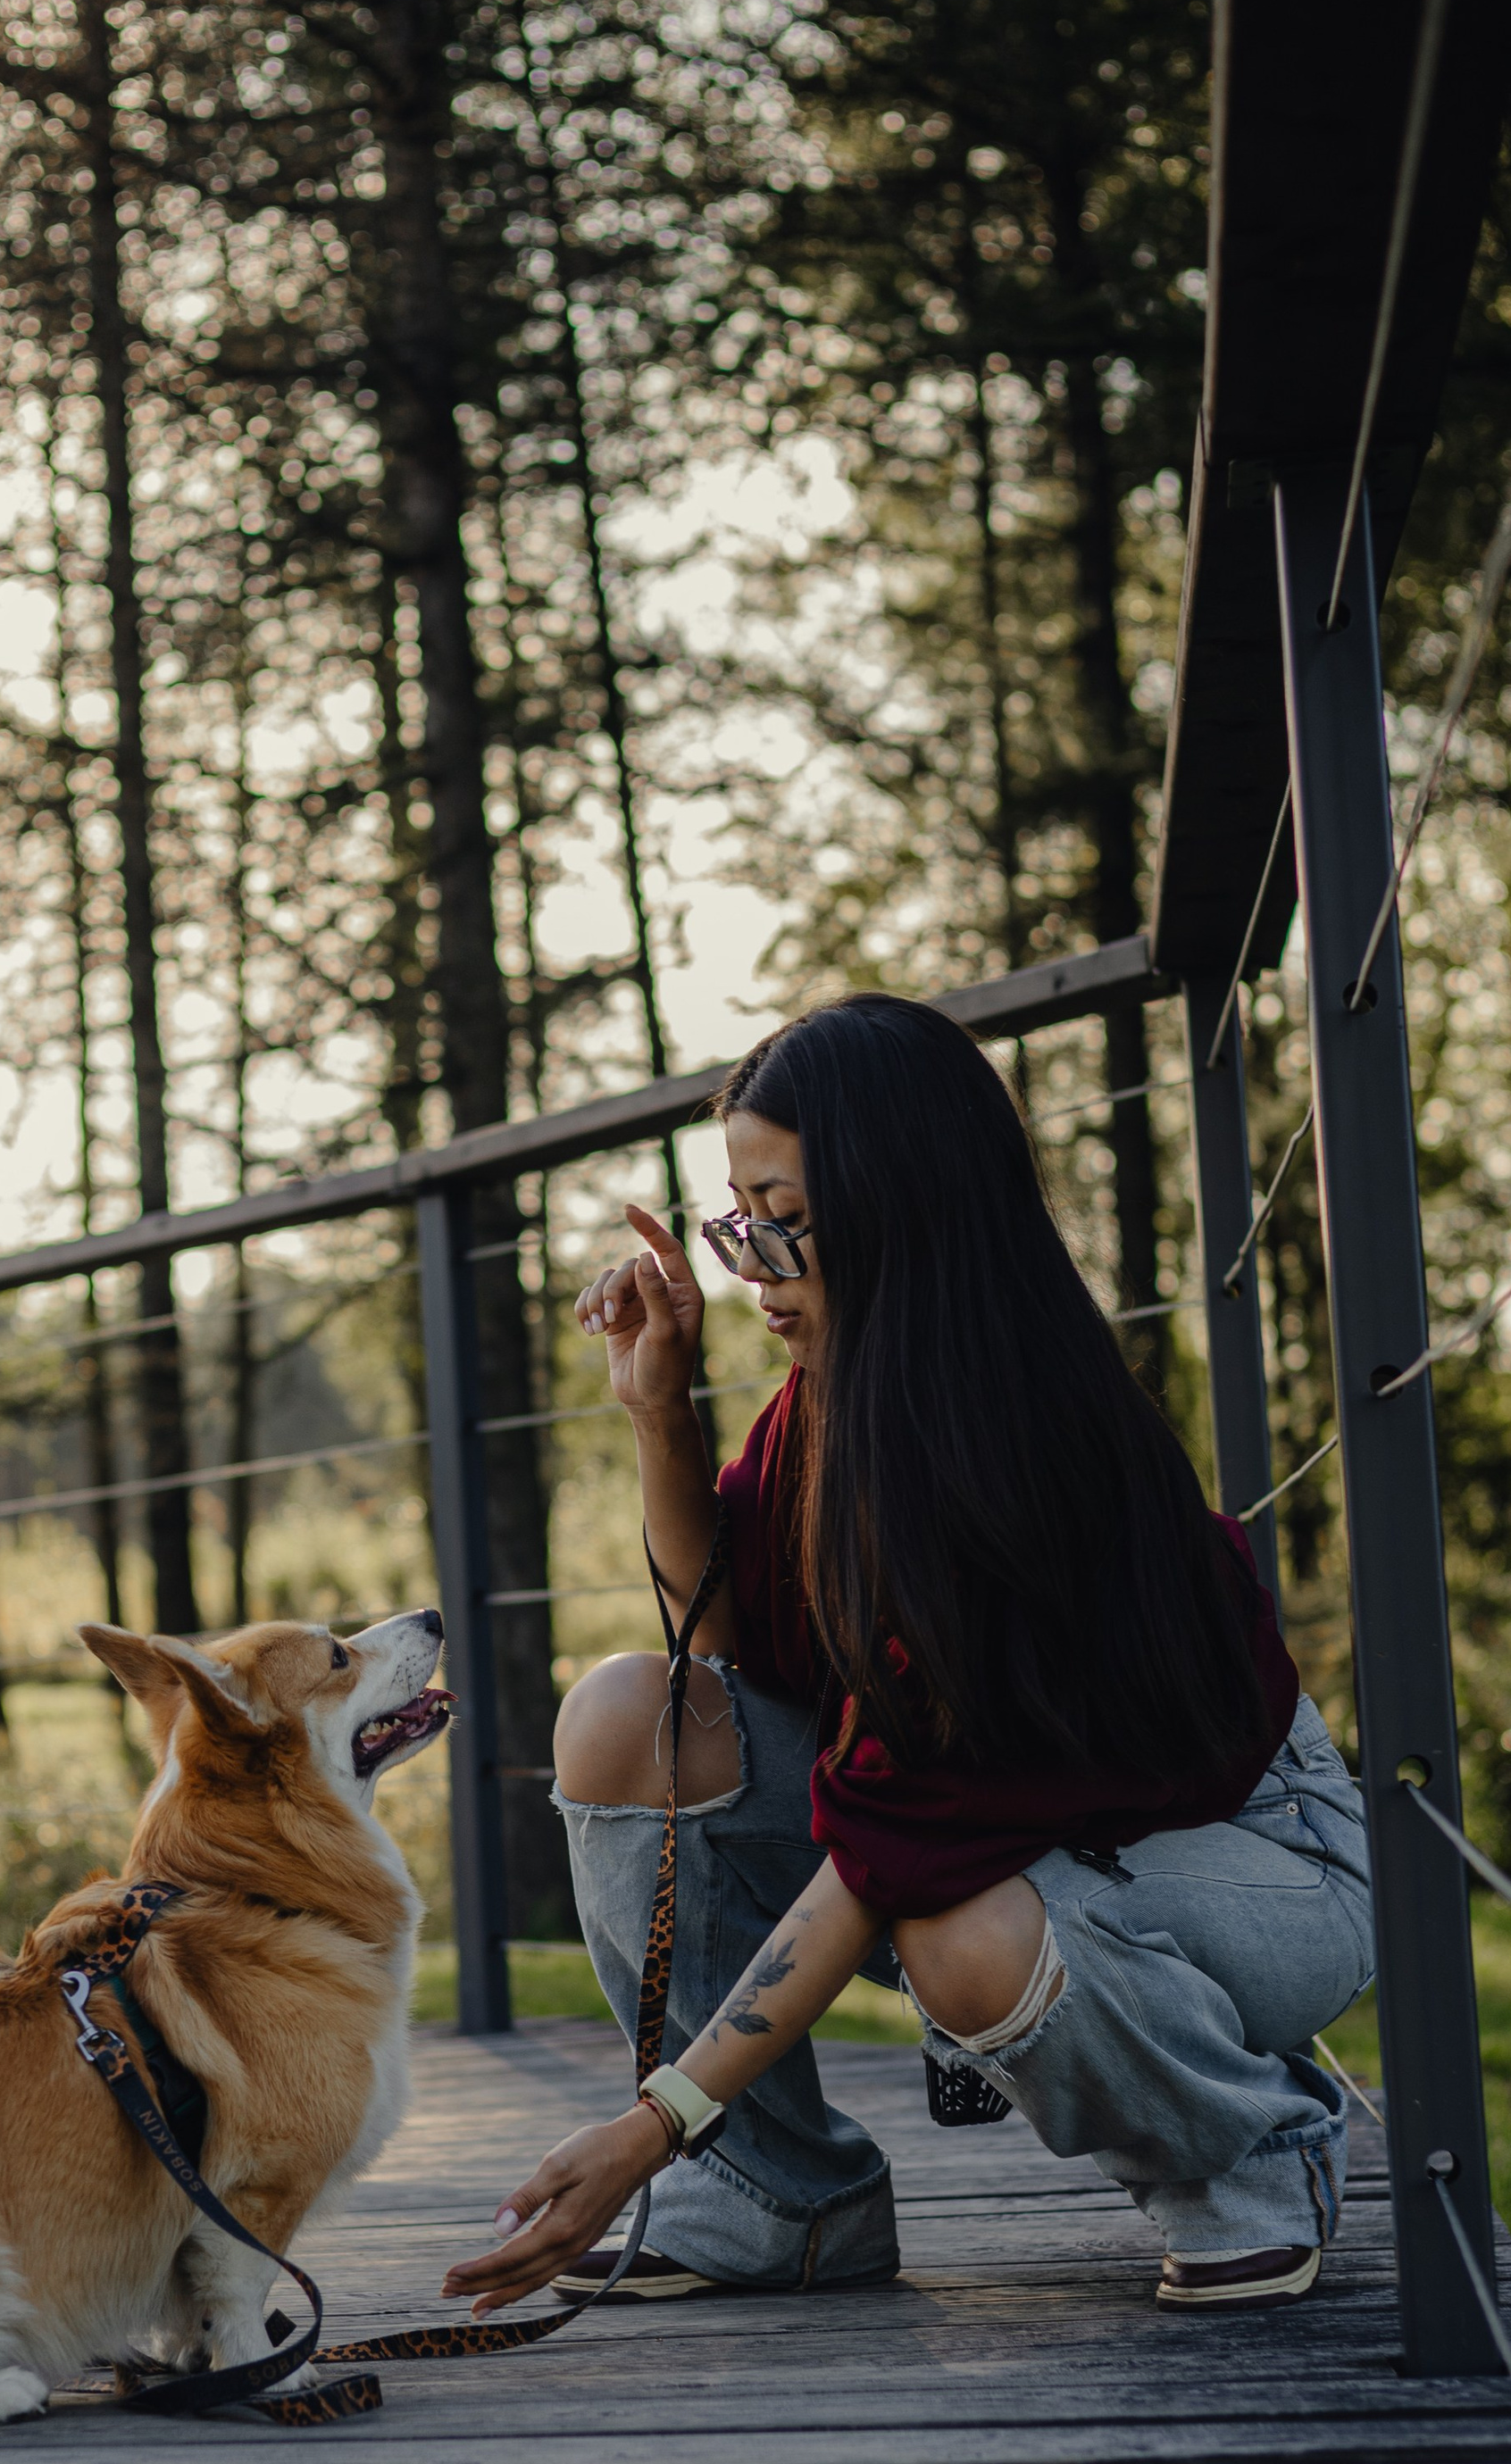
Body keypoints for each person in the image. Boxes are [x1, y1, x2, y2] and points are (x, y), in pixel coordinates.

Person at [442, 994, 1374, 2325]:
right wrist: (659, 1412)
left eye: (782, 1216)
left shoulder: (1010, 1449)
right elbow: (728, 1641)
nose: (751, 1263)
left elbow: (886, 1852)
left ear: (900, 1202)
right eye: (737, 1218)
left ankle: (1251, 2147)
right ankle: (774, 2199)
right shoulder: (840, 1391)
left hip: (1258, 1855)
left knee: (968, 1928)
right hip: (1012, 1846)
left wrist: (652, 2125)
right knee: (627, 1717)